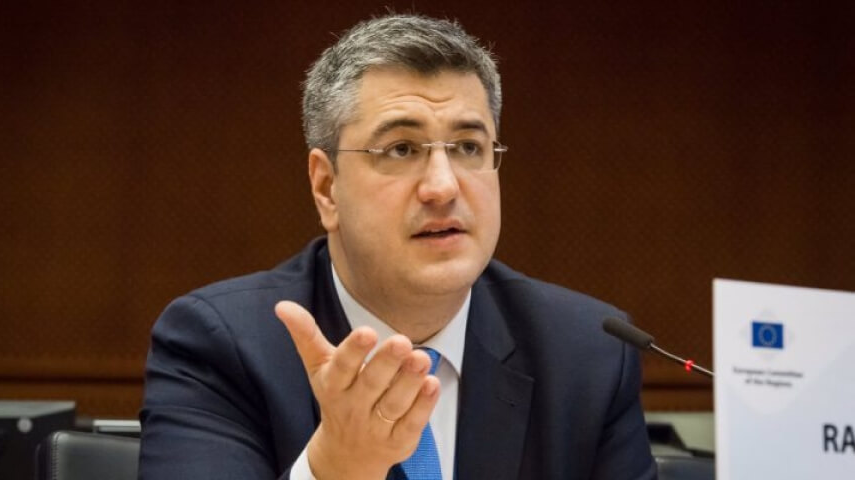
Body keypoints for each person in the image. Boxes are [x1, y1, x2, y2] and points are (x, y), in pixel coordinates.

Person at [138, 13, 656, 480]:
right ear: (326, 187)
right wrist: (337, 468)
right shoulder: (219, 347)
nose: (443, 187)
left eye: (468, 147)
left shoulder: (587, 355)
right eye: (402, 149)